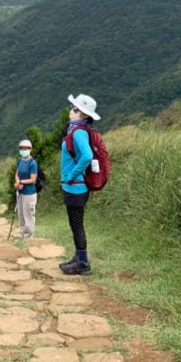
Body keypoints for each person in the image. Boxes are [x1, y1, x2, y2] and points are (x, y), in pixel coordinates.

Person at [59, 93, 100, 275]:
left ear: (83, 114)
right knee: (75, 225)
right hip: (75, 186)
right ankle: (78, 257)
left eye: (75, 109)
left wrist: (71, 175)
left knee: (77, 225)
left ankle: (83, 264)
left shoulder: (79, 132)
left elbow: (87, 156)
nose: (71, 111)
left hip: (76, 186)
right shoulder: (76, 130)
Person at [13, 138, 39, 239]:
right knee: (21, 214)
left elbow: (33, 179)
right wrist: (17, 182)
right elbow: (17, 174)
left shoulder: (33, 163)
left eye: (26, 148)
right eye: (22, 148)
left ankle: (29, 236)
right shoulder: (20, 160)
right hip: (20, 192)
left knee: (28, 214)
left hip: (29, 193)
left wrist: (20, 182)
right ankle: (22, 234)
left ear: (30, 149)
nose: (24, 150)